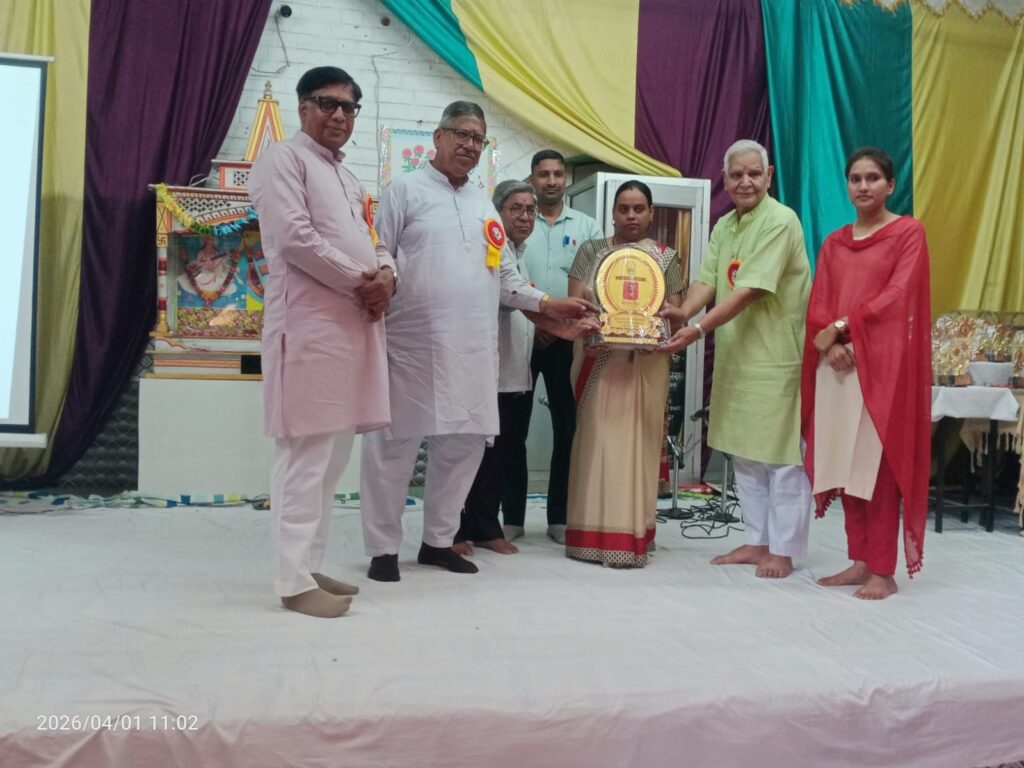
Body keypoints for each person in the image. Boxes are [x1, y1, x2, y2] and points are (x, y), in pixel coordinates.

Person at [360, 102, 597, 583]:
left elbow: (506, 279)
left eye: (478, 138)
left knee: (464, 446)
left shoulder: (483, 205)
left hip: (472, 348)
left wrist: (552, 305)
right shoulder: (404, 191)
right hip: (411, 346)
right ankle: (383, 550)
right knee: (394, 448)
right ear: (438, 136)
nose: (470, 145)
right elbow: (379, 257)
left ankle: (438, 542)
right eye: (462, 134)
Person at [248, 66, 397, 618]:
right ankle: (291, 582)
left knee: (332, 460)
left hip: (353, 329)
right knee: (305, 456)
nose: (339, 114)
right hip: (309, 329)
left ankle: (310, 566)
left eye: (348, 107)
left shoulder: (350, 179)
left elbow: (373, 241)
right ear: (303, 107)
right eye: (327, 103)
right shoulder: (282, 159)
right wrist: (365, 283)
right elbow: (295, 239)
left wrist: (388, 275)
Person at [661, 140, 812, 579]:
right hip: (736, 355)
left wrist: (698, 329)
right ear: (725, 180)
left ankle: (783, 549)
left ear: (769, 177)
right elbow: (708, 280)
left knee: (782, 458)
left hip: (776, 357)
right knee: (745, 454)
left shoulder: (781, 220)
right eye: (737, 175)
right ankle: (756, 540)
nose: (745, 182)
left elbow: (749, 289)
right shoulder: (725, 224)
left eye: (754, 174)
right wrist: (681, 312)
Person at [801, 147, 931, 600]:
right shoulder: (835, 242)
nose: (863, 186)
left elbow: (898, 294)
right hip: (837, 364)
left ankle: (882, 570)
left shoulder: (908, 233)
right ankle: (858, 561)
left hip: (882, 366)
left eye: (873, 178)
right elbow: (820, 300)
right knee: (843, 462)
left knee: (876, 469)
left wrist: (841, 329)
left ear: (890, 185)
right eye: (855, 178)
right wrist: (832, 343)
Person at [454, 180, 598, 556]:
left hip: (514, 368)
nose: (524, 216)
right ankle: (454, 530)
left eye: (530, 209)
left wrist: (564, 328)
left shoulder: (515, 250)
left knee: (498, 452)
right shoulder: (492, 245)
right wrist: (557, 307)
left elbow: (519, 300)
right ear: (497, 212)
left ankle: (484, 526)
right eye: (515, 208)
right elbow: (511, 293)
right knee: (474, 453)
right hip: (488, 369)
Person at [564, 180, 684, 568]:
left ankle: (633, 534)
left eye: (639, 209)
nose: (631, 216)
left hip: (645, 366)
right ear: (612, 213)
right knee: (597, 442)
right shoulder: (591, 252)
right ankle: (589, 535)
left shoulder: (666, 258)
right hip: (600, 363)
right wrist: (592, 333)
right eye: (623, 209)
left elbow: (674, 314)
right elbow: (576, 306)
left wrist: (654, 334)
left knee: (638, 446)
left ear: (651, 213)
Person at [521, 150, 605, 544]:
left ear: (566, 179)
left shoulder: (587, 227)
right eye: (544, 174)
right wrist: (535, 322)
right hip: (520, 335)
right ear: (532, 179)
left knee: (567, 429)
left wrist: (561, 326)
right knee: (511, 430)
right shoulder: (517, 220)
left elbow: (593, 284)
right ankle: (510, 518)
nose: (552, 181)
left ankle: (560, 517)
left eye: (558, 174)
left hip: (567, 341)